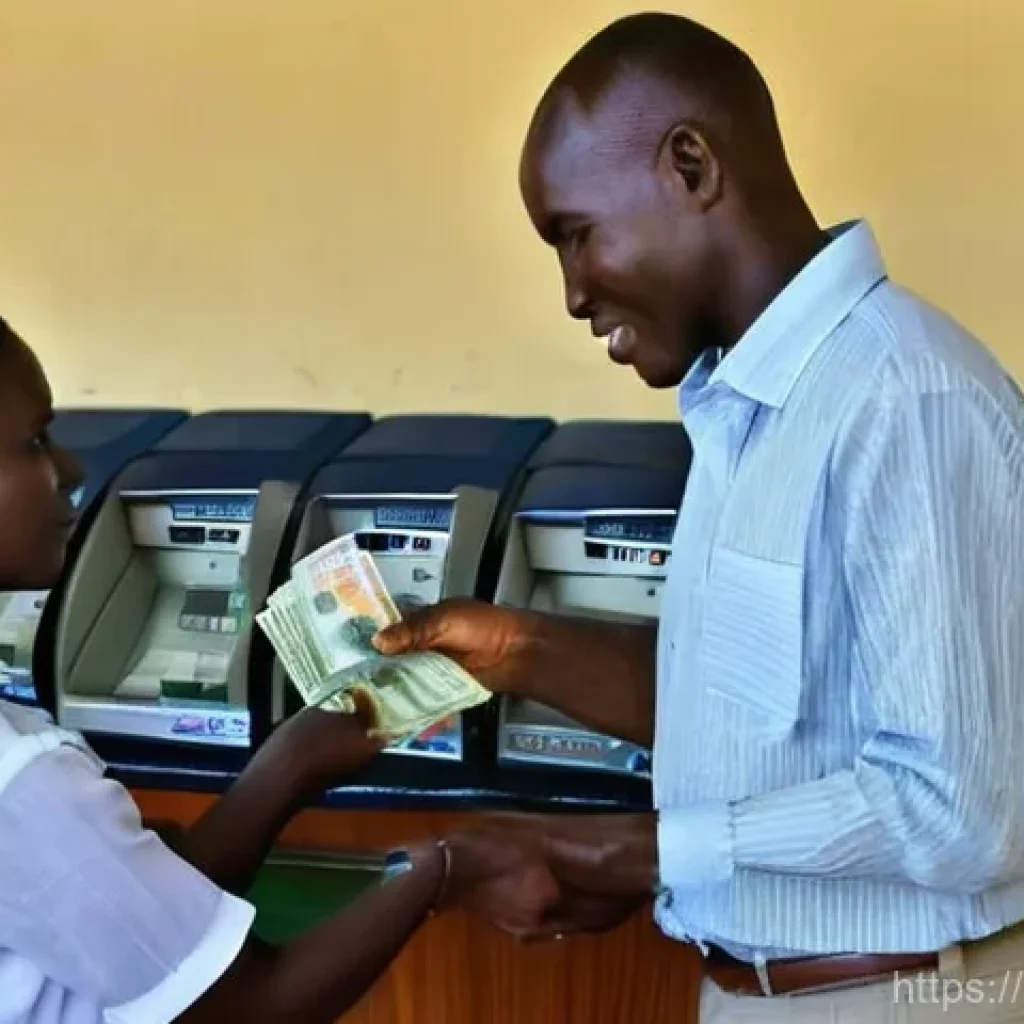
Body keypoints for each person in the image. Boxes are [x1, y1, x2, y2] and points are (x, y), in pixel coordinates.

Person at [374, 12, 1024, 1022]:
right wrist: (517, 649)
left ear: (689, 165)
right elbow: (763, 714)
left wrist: (643, 849)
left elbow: (956, 809)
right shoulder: (744, 410)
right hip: (761, 987)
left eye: (575, 234)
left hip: (896, 996)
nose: (574, 293)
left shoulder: (902, 397)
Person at [0, 316, 564, 1023]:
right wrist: (444, 868)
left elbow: (147, 926)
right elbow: (245, 1007)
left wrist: (285, 770)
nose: (72, 471)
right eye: (33, 442)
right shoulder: (20, 776)